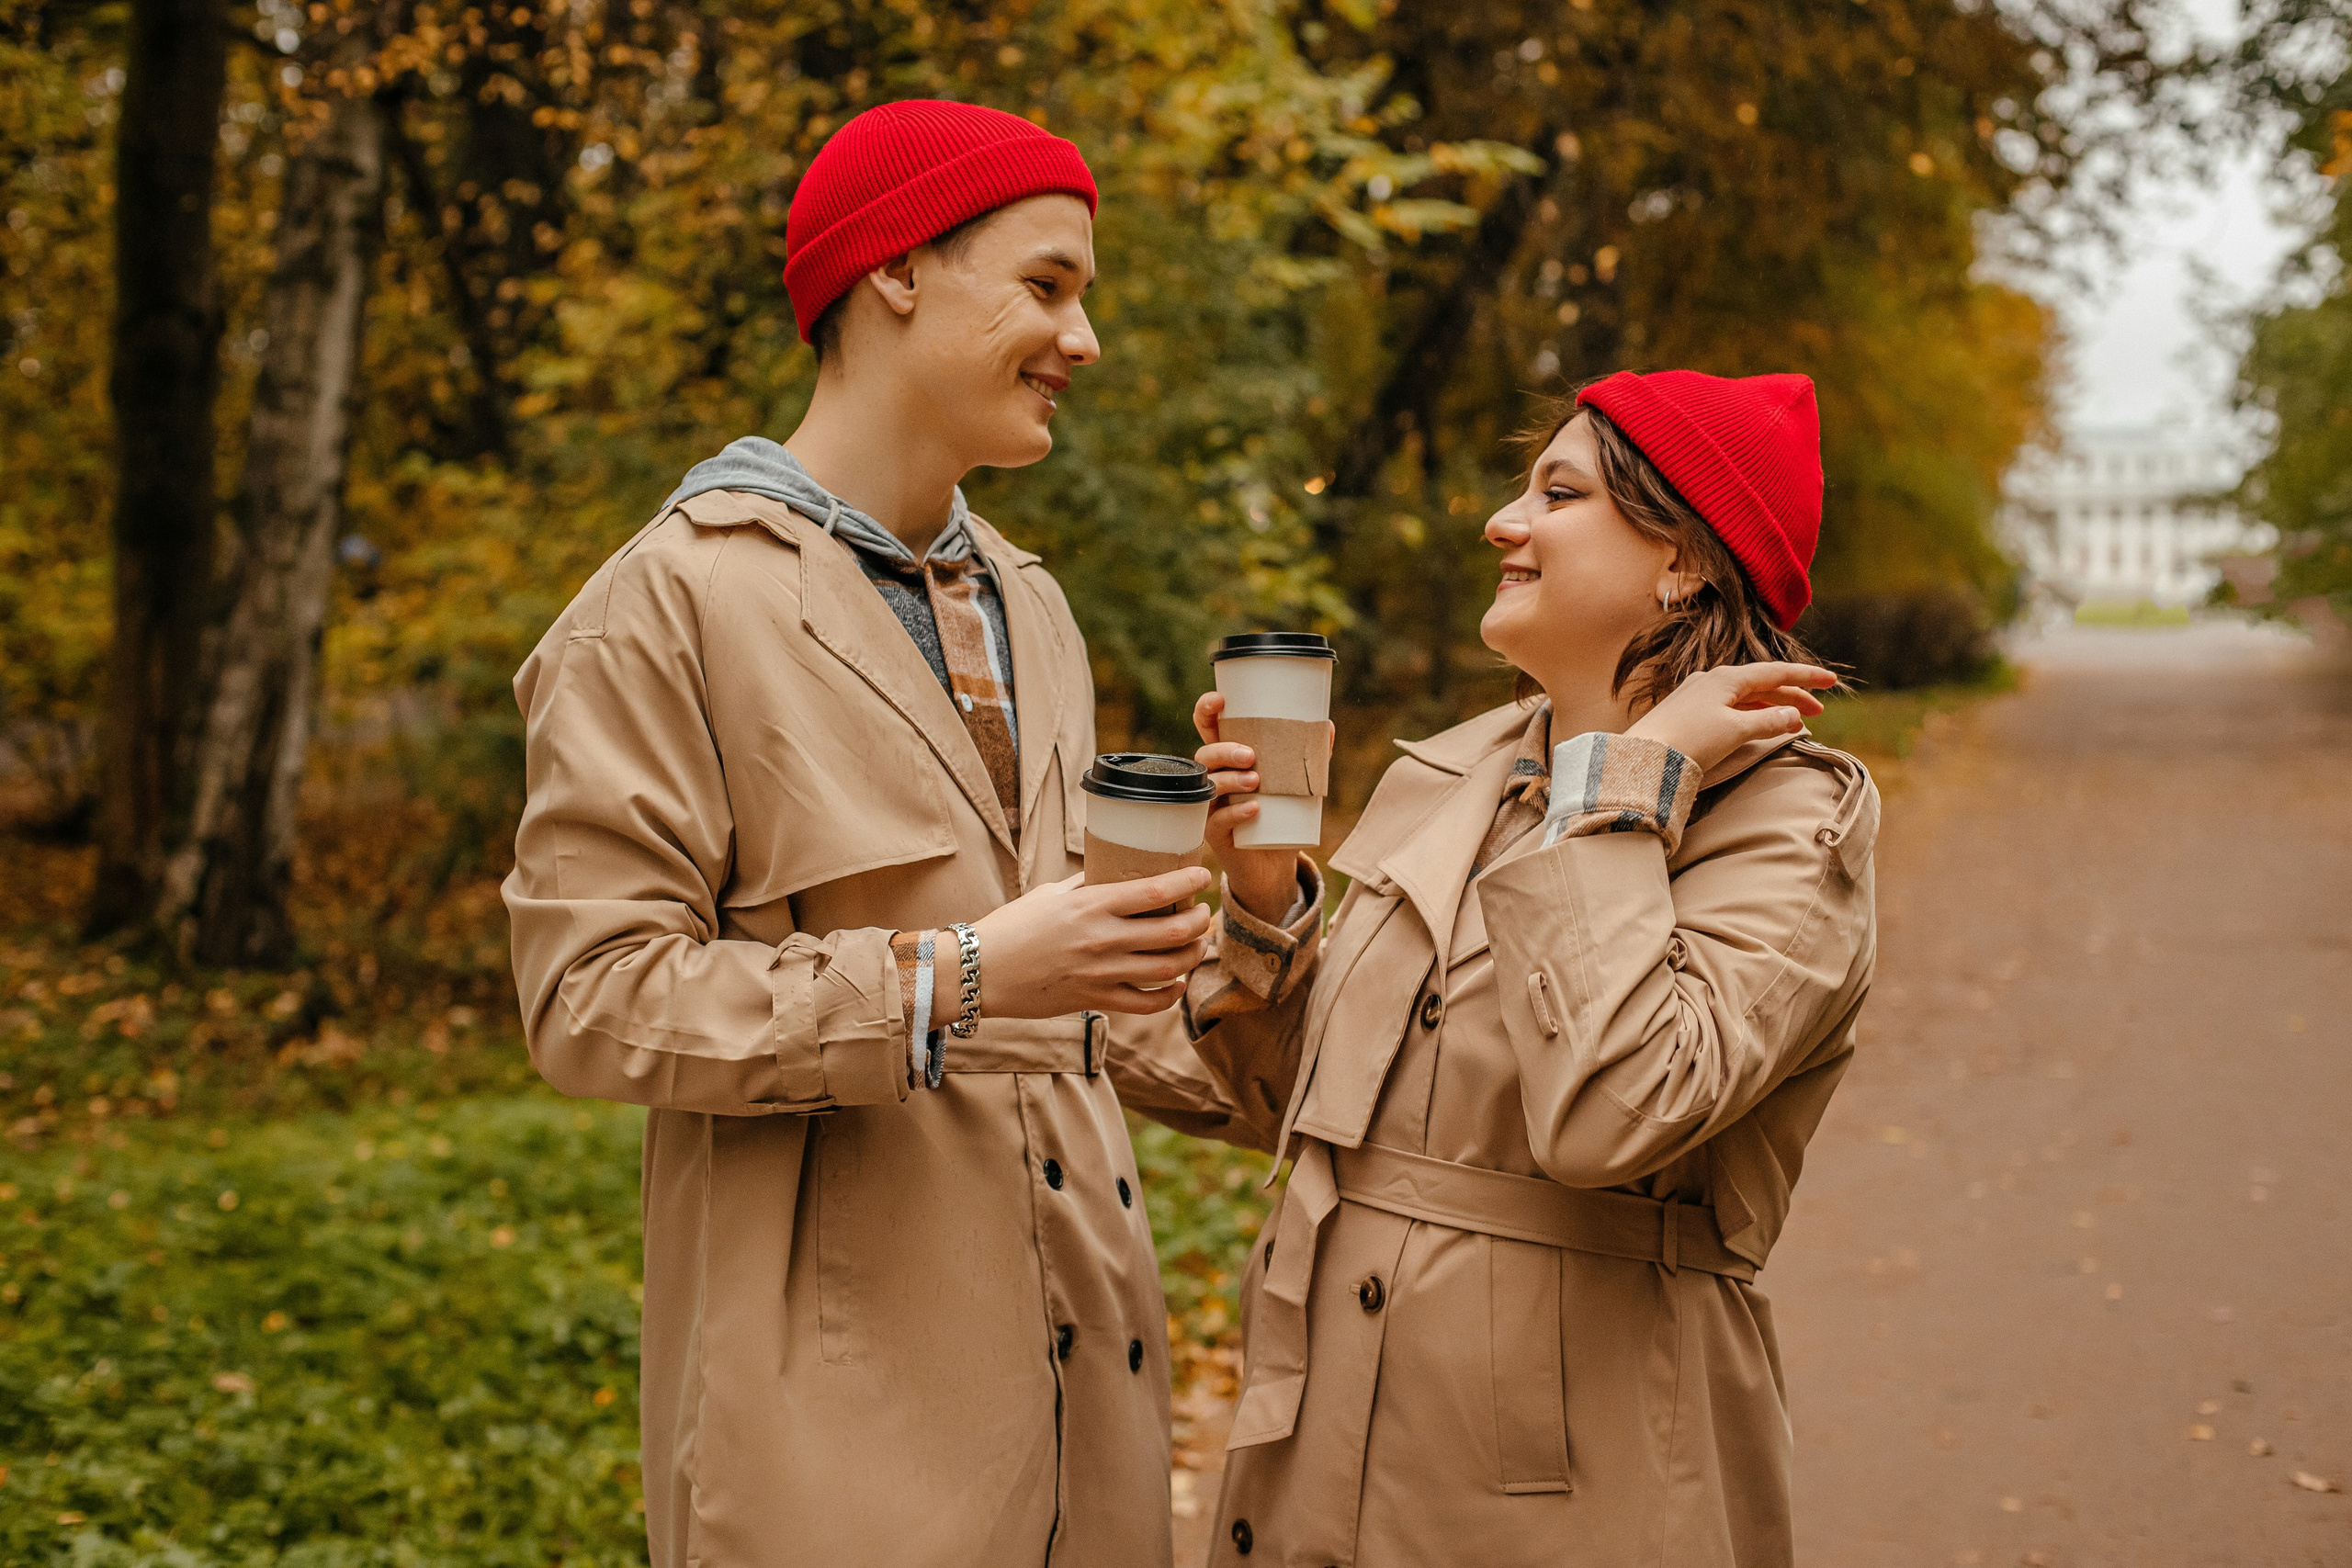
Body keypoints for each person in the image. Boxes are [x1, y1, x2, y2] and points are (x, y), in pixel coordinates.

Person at [503, 100, 1215, 1568]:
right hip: (841, 1453)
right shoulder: (669, 604)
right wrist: (953, 977)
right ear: (892, 269)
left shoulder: (1033, 602)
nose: (1084, 341)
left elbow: (1088, 1004)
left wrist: (1231, 909)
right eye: (1047, 286)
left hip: (1097, 1413)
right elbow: (589, 1001)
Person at [1173, 370, 1879, 1566]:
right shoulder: (1459, 773)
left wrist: (1625, 785)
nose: (1504, 522)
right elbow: (1308, 1108)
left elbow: (1617, 1110)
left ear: (1682, 560)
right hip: (1316, 1459)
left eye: (1558, 493)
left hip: (1569, 1502)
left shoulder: (1788, 818)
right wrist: (1261, 895)